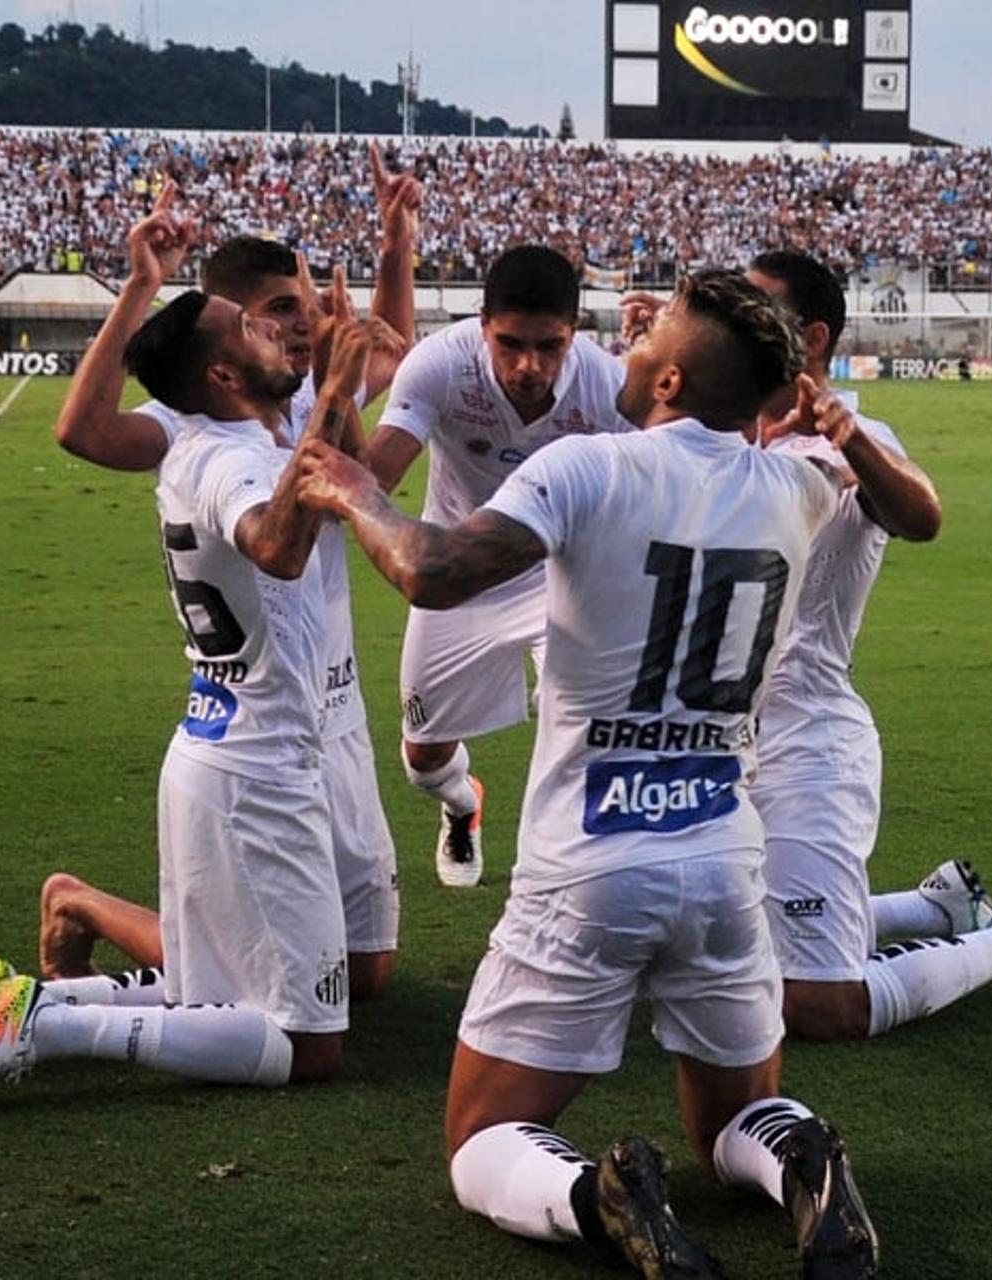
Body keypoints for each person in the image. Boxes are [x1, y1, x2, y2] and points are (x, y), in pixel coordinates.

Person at [295, 270, 879, 1277]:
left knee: (481, 1136)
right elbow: (835, 459)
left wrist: (355, 492)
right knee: (736, 1117)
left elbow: (433, 568)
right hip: (724, 849)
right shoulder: (809, 481)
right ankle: (803, 1163)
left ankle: (593, 1193)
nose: (632, 339)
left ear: (664, 384)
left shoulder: (585, 468)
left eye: (649, 339)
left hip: (592, 858)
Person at [0, 197, 374, 1115]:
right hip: (259, 770)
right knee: (310, 1045)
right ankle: (44, 1024)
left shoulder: (214, 438)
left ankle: (3, 1002)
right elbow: (276, 546)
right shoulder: (230, 459)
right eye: (251, 325)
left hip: (214, 755)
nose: (277, 331)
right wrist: (337, 396)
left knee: (209, 990)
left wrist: (151, 285)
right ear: (225, 373)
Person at [48, 153, 421, 1003]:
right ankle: (87, 910)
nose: (305, 321)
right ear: (231, 331)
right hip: (264, 724)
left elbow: (381, 364)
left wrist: (395, 246)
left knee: (365, 971)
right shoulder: (195, 423)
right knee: (256, 975)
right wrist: (140, 291)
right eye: (279, 311)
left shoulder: (290, 398)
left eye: (307, 305)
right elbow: (84, 432)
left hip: (336, 709)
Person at [738, 251, 992, 1046]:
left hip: (809, 743)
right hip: (725, 744)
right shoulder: (721, 432)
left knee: (817, 1006)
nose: (734, 321)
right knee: (713, 956)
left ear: (808, 337)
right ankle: (933, 909)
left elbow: (922, 515)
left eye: (756, 308)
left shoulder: (854, 439)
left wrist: (848, 440)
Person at [367, 243, 630, 888]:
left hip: (562, 572)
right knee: (422, 760)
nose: (528, 366)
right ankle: (463, 804)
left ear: (575, 333)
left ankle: (562, 873)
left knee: (587, 727)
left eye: (550, 347)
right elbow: (375, 479)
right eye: (510, 344)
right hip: (461, 573)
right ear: (481, 323)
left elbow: (662, 480)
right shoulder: (439, 365)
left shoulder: (605, 383)